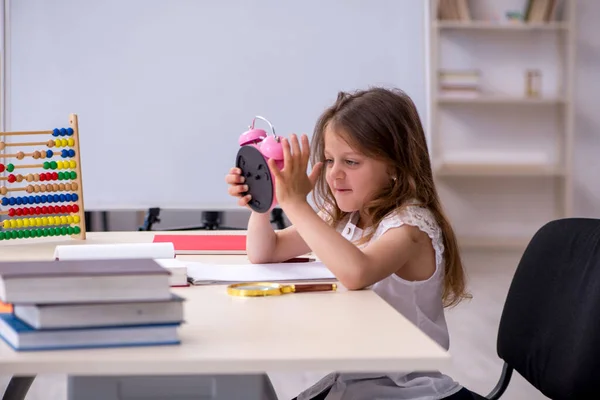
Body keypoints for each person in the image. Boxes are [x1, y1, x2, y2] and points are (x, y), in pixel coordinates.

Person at [225, 87, 477, 400]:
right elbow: (266, 252)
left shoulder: (410, 226)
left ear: (395, 168)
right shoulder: (343, 215)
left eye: (352, 162)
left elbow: (358, 272)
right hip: (355, 381)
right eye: (329, 161)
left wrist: (296, 203)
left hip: (406, 389)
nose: (335, 175)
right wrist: (264, 201)